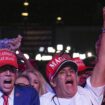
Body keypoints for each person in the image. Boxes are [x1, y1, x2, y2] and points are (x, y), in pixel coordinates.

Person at [40, 7, 105, 105]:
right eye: (62, 72)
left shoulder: (88, 95)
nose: (69, 74)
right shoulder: (44, 101)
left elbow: (102, 60)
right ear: (53, 82)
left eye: (71, 71)